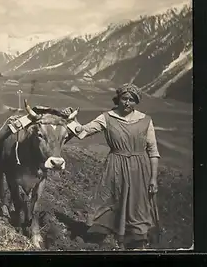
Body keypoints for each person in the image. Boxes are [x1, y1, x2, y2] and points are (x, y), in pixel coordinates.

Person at [63, 83, 160, 250]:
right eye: (124, 98)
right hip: (115, 166)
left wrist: (153, 178)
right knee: (110, 200)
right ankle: (108, 237)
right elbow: (82, 132)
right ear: (118, 99)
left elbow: (153, 151)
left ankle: (136, 241)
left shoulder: (146, 121)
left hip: (140, 168)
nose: (127, 102)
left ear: (136, 101)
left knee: (137, 204)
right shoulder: (107, 117)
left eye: (132, 99)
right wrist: (71, 120)